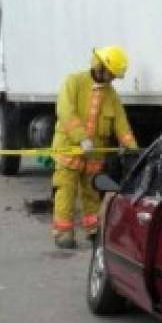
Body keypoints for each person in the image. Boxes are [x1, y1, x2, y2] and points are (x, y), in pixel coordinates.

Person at [50, 45, 138, 249]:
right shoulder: (74, 82)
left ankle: (93, 230)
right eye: (112, 74)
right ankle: (63, 233)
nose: (112, 79)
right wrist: (81, 138)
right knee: (66, 191)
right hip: (69, 150)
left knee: (91, 192)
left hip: (94, 154)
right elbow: (65, 111)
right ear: (100, 66)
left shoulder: (111, 94)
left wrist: (131, 146)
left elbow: (121, 123)